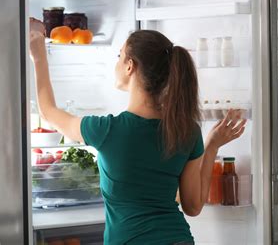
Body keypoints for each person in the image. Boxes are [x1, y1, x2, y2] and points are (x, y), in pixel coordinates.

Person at [29, 18, 246, 245]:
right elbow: (192, 206)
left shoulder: (106, 130)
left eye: (119, 56)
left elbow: (48, 112)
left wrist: (38, 55)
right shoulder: (187, 130)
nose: (116, 63)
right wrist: (211, 146)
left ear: (130, 65)